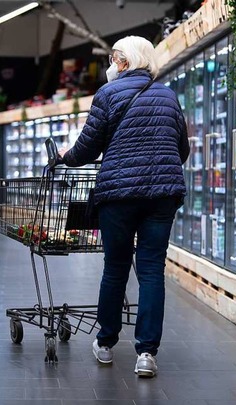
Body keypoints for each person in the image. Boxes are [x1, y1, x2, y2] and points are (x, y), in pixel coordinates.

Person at [59, 35, 190, 378]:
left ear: (125, 62)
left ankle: (105, 344)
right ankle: (146, 353)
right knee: (151, 271)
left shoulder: (108, 94)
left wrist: (65, 159)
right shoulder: (168, 95)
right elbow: (183, 149)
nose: (111, 64)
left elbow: (87, 147)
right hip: (162, 195)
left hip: (118, 195)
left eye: (114, 58)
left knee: (115, 267)